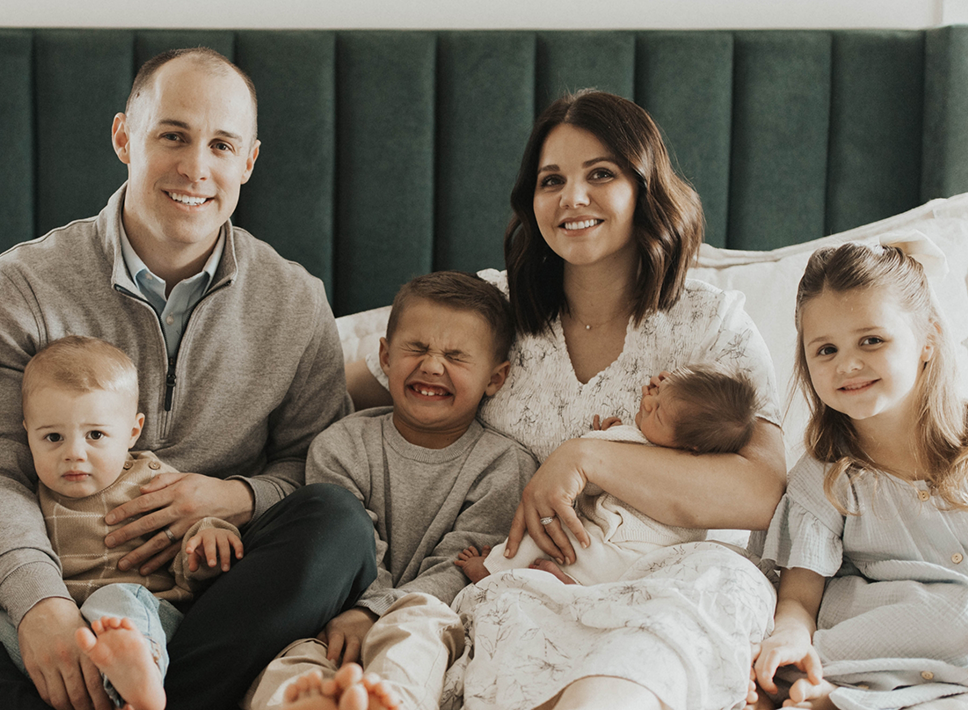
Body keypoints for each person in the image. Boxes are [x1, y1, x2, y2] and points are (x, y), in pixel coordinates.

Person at [0, 47, 377, 710]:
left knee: (339, 524)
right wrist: (38, 605)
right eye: (172, 135)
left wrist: (237, 497)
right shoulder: (27, 281)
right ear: (123, 138)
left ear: (248, 161)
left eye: (222, 145)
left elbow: (315, 464)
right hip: (41, 559)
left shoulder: (293, 298)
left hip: (205, 592)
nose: (196, 166)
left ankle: (162, 693)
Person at [346, 89, 786, 710]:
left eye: (600, 174)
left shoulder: (709, 322)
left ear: (645, 188)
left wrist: (587, 457)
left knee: (636, 666)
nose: (572, 198)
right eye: (552, 180)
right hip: (529, 586)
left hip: (674, 581)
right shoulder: (492, 311)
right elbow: (348, 382)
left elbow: (763, 492)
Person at [749, 243, 968, 710]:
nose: (847, 364)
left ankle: (845, 693)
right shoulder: (824, 475)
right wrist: (791, 635)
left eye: (871, 340)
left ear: (927, 339)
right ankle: (828, 679)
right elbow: (800, 596)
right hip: (879, 614)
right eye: (826, 349)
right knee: (959, 615)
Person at [249, 271, 535, 710]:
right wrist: (358, 612)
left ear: (495, 379)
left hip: (432, 614)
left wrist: (376, 612)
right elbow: (345, 548)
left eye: (456, 357)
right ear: (384, 355)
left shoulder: (503, 466)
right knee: (291, 660)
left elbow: (459, 567)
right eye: (416, 348)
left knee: (416, 629)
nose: (432, 366)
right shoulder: (340, 444)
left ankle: (389, 701)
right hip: (334, 616)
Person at [0, 335, 242, 710]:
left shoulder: (152, 481)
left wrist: (209, 538)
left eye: (95, 435)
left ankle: (141, 681)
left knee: (118, 601)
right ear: (28, 432)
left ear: (133, 432)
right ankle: (82, 691)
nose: (74, 454)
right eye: (53, 437)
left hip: (142, 611)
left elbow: (195, 527)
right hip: (61, 628)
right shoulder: (26, 494)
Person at [456, 362, 760, 586]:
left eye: (658, 413)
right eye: (659, 392)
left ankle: (493, 568)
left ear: (690, 446)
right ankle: (567, 585)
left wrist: (603, 437)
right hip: (645, 559)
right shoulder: (698, 473)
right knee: (603, 576)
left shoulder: (633, 441)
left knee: (549, 532)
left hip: (611, 542)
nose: (647, 401)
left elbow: (583, 477)